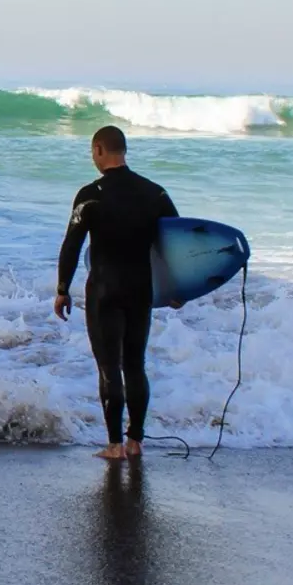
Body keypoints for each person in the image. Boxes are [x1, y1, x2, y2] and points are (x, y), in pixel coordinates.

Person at [55, 125, 177, 461]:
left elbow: (72, 244)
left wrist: (62, 289)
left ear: (98, 150)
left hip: (104, 291)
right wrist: (178, 288)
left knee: (109, 368)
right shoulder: (156, 194)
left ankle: (114, 445)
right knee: (135, 365)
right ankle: (135, 442)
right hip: (140, 289)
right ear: (123, 150)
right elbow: (177, 245)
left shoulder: (90, 194)